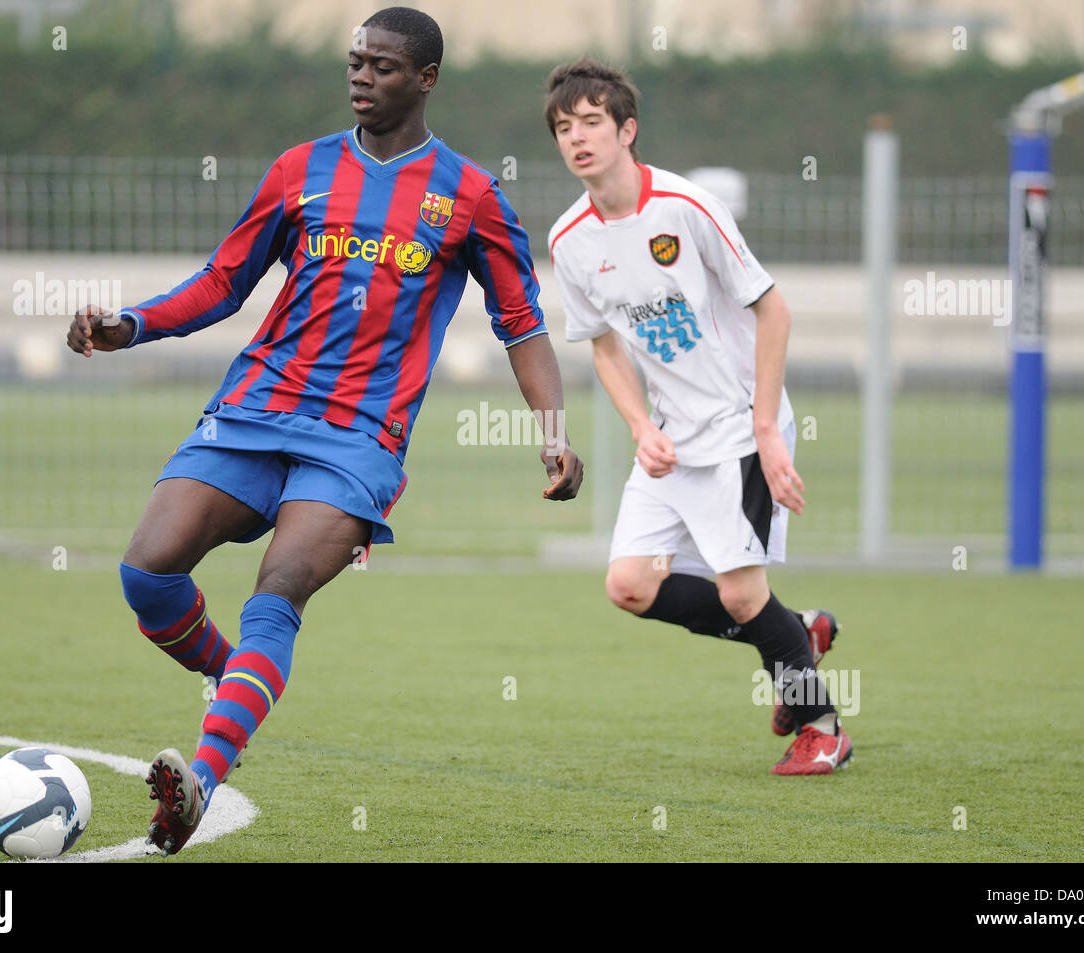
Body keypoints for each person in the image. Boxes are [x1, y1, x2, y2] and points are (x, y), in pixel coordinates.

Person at [66, 7, 583, 855]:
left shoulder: (471, 195)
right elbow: (223, 281)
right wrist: (132, 322)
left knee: (279, 590)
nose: (360, 76)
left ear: (425, 80)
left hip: (357, 443)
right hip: (255, 410)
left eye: (381, 66)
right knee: (146, 575)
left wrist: (553, 431)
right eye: (354, 61)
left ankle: (200, 779)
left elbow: (521, 323)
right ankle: (235, 680)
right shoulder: (299, 169)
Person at [544, 56, 849, 775]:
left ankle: (824, 724)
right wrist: (639, 427)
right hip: (673, 437)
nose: (577, 137)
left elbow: (773, 308)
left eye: (591, 122)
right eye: (564, 127)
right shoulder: (569, 240)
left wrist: (769, 428)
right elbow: (604, 348)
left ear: (628, 129)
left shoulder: (686, 207)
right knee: (630, 584)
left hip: (743, 424)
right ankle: (795, 632)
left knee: (743, 592)